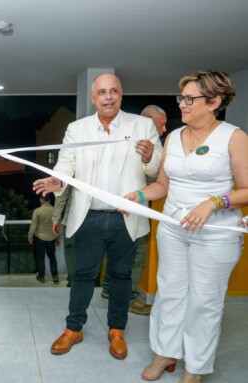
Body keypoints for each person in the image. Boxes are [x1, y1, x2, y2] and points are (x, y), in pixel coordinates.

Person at [123, 70, 248, 383]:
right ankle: (165, 353)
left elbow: (247, 189)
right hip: (174, 228)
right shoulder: (173, 137)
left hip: (216, 232)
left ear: (214, 101)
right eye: (182, 98)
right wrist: (137, 196)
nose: (182, 104)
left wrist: (214, 202)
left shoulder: (233, 137)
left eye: (190, 99)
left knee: (204, 301)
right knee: (170, 294)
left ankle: (195, 368)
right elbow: (162, 185)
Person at [33, 73, 162, 360]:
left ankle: (116, 331)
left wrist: (150, 156)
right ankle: (73, 328)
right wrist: (58, 182)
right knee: (82, 275)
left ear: (121, 94)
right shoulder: (77, 129)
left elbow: (155, 172)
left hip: (125, 218)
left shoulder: (143, 126)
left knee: (121, 276)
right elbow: (66, 164)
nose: (108, 96)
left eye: (113, 90)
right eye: (102, 92)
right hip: (88, 216)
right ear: (93, 98)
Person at [102, 105, 168, 315]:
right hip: (128, 208)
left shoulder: (152, 147)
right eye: (161, 124)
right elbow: (154, 179)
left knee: (118, 253)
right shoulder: (136, 144)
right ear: (147, 121)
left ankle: (108, 289)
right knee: (134, 254)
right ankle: (129, 298)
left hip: (134, 208)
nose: (164, 129)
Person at [28, 194, 59, 283]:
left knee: (40, 257)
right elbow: (58, 225)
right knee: (52, 257)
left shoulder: (37, 211)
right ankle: (55, 275)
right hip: (52, 237)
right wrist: (58, 236)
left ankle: (41, 276)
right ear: (49, 200)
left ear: (42, 200)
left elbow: (33, 225)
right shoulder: (55, 211)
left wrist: (30, 236)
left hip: (40, 238)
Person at [52, 185, 75, 287]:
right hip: (95, 220)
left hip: (71, 219)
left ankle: (73, 279)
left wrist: (56, 219)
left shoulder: (71, 171)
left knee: (71, 250)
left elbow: (61, 196)